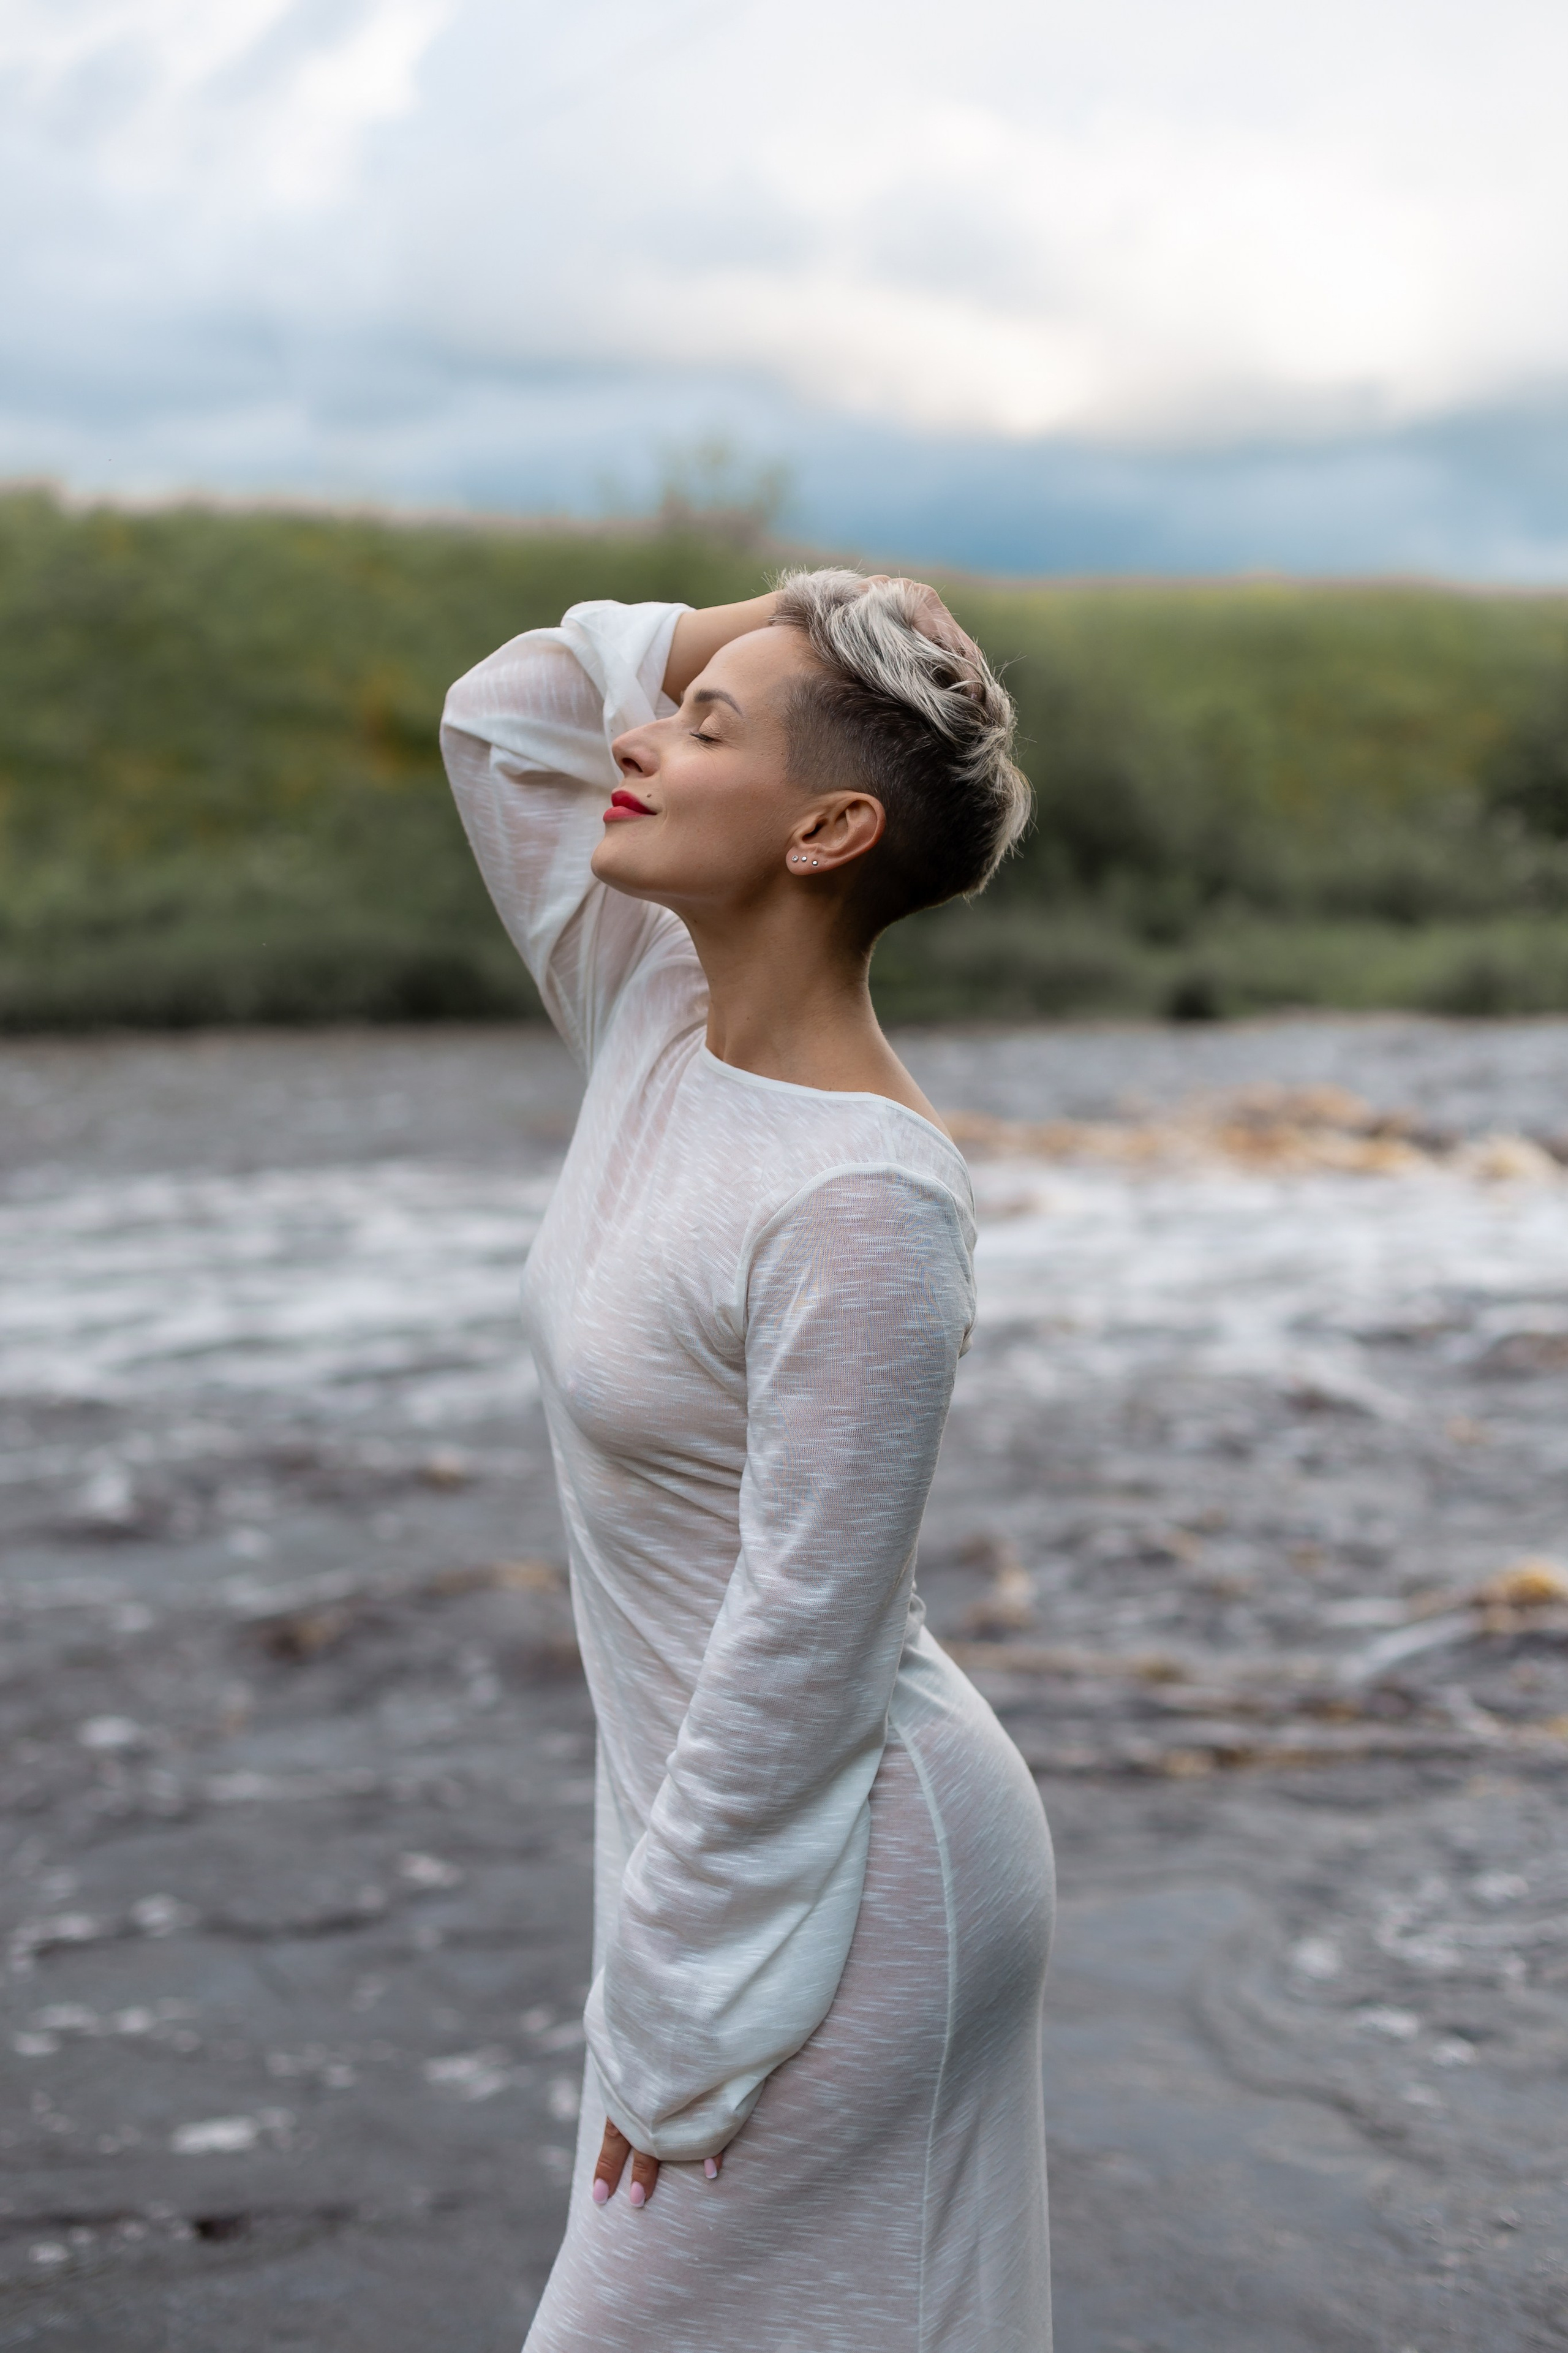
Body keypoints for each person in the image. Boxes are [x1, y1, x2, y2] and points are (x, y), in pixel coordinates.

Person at [439, 569, 1056, 2352]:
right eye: (676, 702)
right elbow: (506, 707)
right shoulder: (648, 1005)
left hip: (851, 1865)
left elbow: (805, 1640)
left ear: (830, 826)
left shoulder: (863, 1200)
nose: (641, 731)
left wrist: (677, 2009)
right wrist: (781, 608)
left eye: (708, 725)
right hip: (714, 1856)